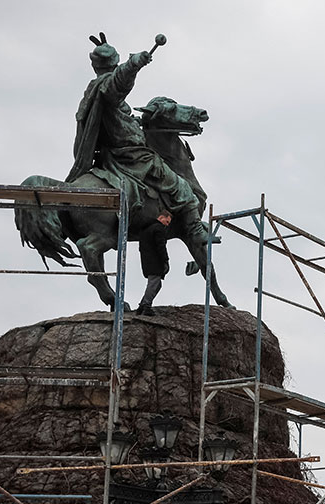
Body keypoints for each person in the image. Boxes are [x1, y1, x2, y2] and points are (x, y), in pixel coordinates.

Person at [68, 33, 208, 253]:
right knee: (181, 187)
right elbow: (118, 83)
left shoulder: (93, 92)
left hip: (114, 153)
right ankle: (195, 228)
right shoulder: (106, 86)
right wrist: (134, 63)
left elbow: (117, 120)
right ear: (114, 64)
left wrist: (135, 123)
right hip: (133, 157)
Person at [136, 210, 173, 315]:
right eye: (167, 222)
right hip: (155, 261)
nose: (167, 225)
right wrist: (165, 260)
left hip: (146, 260)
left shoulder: (145, 229)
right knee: (153, 284)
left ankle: (143, 304)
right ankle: (146, 306)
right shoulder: (158, 228)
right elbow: (161, 246)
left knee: (156, 284)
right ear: (161, 217)